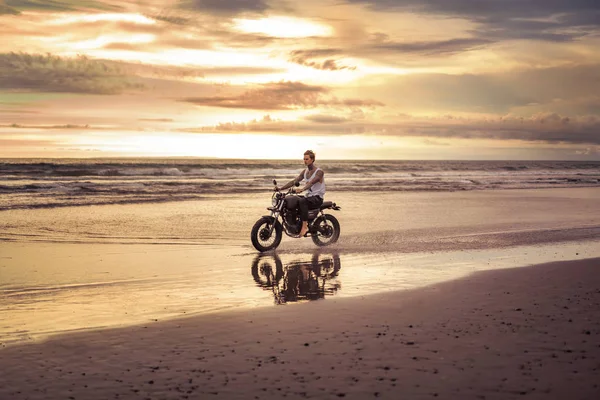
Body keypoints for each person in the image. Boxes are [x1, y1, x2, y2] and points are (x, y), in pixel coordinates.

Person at [276, 150, 325, 237]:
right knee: (289, 200)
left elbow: (312, 182)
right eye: (304, 159)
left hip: (317, 198)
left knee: (302, 201)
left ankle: (304, 226)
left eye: (307, 159)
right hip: (309, 196)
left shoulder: (319, 172)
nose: (305, 161)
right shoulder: (305, 171)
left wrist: (302, 189)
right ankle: (291, 225)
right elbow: (294, 181)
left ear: (312, 159)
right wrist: (280, 188)